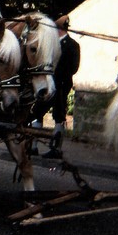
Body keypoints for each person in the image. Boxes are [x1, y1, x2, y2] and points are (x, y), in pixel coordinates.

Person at [30, 15, 81, 157]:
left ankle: (56, 149)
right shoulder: (50, 44)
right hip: (47, 84)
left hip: (61, 86)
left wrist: (58, 78)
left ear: (58, 30)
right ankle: (33, 146)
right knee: (36, 113)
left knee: (59, 116)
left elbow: (73, 68)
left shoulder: (72, 45)